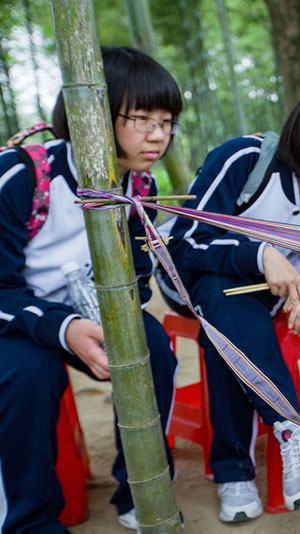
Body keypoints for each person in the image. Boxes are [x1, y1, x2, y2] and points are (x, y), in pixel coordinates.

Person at [167, 80, 300, 522]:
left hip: (254, 303)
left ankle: (235, 473)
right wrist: (261, 253)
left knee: (226, 329)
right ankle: (290, 427)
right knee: (221, 295)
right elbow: (184, 243)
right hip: (191, 283)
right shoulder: (246, 161)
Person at [0, 46, 181, 533]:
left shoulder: (140, 188)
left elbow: (139, 277)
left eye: (167, 121)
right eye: (142, 118)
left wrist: (113, 311)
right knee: (29, 377)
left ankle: (140, 486)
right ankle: (29, 519)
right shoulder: (21, 177)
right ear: (91, 117)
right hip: (14, 318)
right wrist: (63, 327)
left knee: (154, 348)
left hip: (90, 309)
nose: (158, 134)